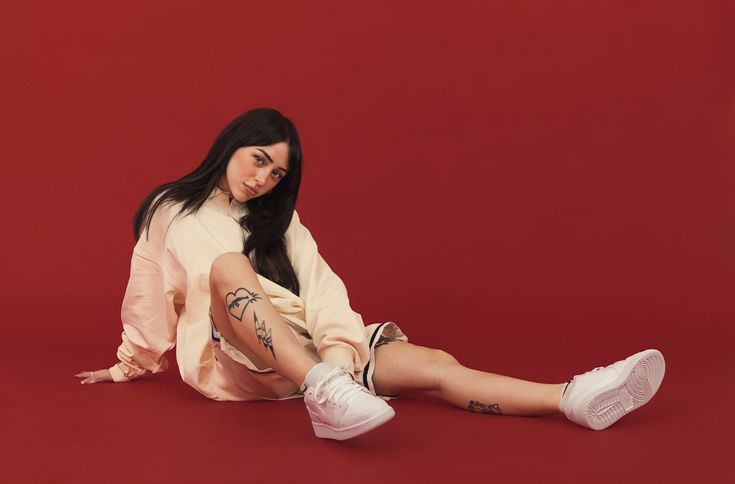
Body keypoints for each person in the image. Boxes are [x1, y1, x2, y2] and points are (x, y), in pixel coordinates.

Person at [75, 108, 666, 440]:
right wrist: (129, 363)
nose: (262, 180)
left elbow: (322, 282)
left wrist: (338, 353)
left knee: (436, 366)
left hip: (314, 359)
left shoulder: (280, 221)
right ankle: (325, 392)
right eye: (259, 160)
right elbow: (147, 290)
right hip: (238, 357)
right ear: (232, 144)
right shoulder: (169, 208)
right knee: (227, 268)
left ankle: (570, 397)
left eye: (278, 175)